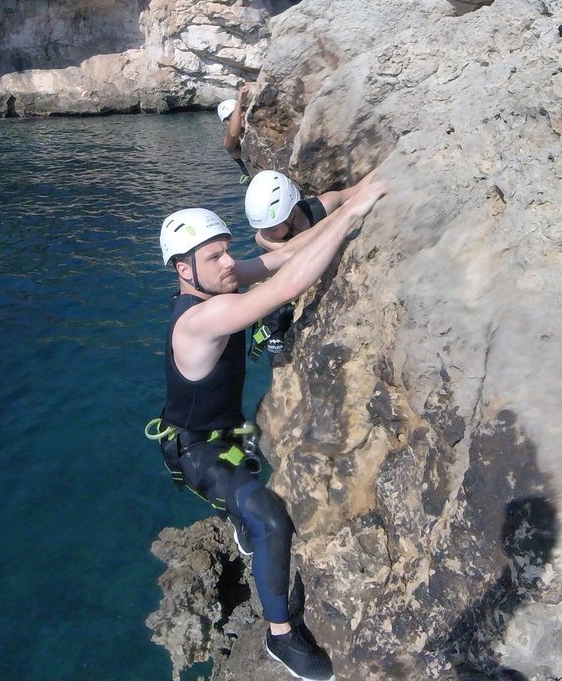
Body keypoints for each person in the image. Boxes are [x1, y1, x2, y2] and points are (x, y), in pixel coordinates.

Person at [152, 179, 387, 681]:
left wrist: (360, 194)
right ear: (183, 270)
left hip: (225, 434)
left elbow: (282, 259)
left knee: (254, 470)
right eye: (212, 258)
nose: (228, 263)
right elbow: (285, 287)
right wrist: (351, 215)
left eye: (226, 250)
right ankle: (281, 635)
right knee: (271, 521)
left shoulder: (222, 282)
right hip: (198, 453)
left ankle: (238, 518)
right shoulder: (199, 319)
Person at [245, 169, 375, 253]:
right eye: (263, 228)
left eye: (272, 228)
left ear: (291, 216)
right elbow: (290, 252)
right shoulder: (262, 237)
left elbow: (358, 189)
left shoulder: (322, 206)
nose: (267, 234)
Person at [218, 85, 252, 181]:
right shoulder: (230, 143)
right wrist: (239, 103)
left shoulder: (253, 128)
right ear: (228, 122)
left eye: (243, 110)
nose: (242, 114)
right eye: (237, 113)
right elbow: (233, 134)